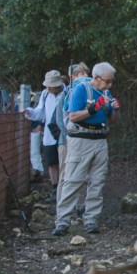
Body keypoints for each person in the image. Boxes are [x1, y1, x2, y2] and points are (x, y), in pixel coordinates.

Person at [52, 62, 121, 237]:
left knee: (97, 181)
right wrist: (93, 108)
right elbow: (73, 116)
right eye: (107, 81)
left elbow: (113, 120)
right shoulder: (81, 90)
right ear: (96, 78)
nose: (110, 85)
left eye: (111, 81)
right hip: (80, 140)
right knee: (73, 180)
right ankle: (62, 221)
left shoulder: (106, 92)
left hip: (100, 138)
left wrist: (115, 110)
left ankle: (91, 219)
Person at [22, 70, 66, 198]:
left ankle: (64, 190)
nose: (47, 87)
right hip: (49, 134)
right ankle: (55, 188)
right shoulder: (45, 94)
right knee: (52, 162)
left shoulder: (68, 92)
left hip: (64, 133)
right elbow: (40, 112)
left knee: (64, 162)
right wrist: (30, 112)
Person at [56, 62, 91, 206]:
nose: (85, 77)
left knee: (83, 175)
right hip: (66, 142)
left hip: (84, 141)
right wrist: (71, 136)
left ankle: (80, 206)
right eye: (81, 74)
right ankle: (62, 207)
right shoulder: (66, 93)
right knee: (65, 176)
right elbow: (60, 119)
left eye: (86, 74)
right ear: (72, 77)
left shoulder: (88, 93)